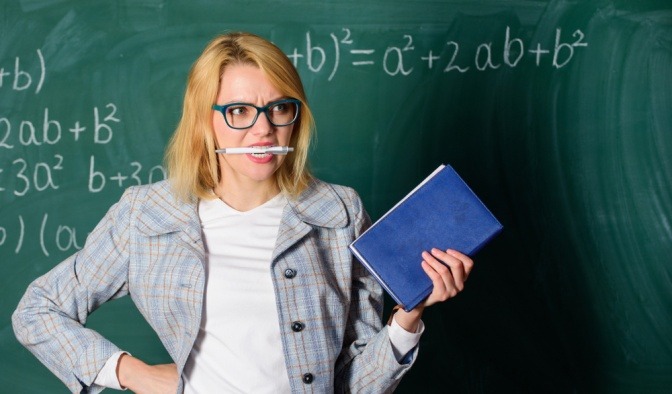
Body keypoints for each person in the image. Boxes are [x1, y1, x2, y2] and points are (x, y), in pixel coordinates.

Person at [13, 32, 473, 393]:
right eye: (239, 111)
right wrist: (130, 372)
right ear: (204, 120)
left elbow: (356, 385)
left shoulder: (337, 212)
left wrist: (408, 318)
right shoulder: (146, 215)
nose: (262, 129)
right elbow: (37, 311)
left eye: (279, 109)